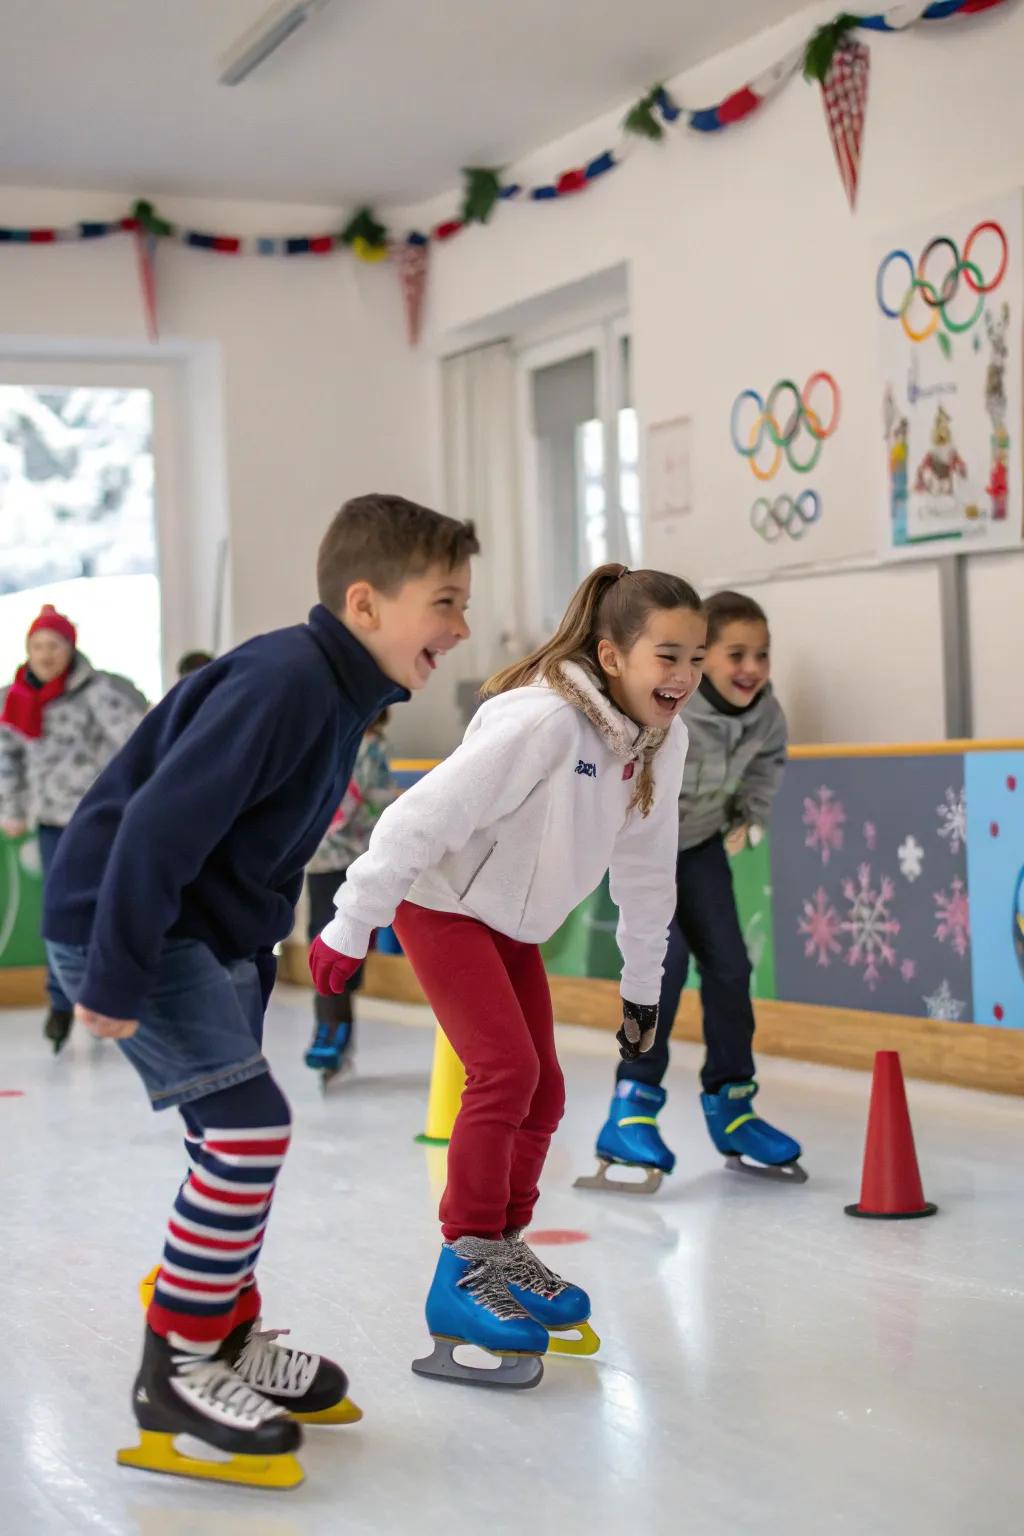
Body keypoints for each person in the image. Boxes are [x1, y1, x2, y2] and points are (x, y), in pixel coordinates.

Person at [41, 494, 478, 1488]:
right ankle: (178, 1368)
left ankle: (225, 1335)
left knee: (223, 1140)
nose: (459, 627)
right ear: (365, 604)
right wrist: (113, 969)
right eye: (444, 603)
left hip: (195, 935)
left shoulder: (336, 691)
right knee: (246, 1134)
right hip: (132, 925)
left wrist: (251, 954)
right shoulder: (285, 683)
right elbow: (155, 826)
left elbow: (255, 843)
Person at [310, 564, 706, 1389]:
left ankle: (501, 1251)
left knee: (546, 1091)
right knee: (505, 1072)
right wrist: (353, 922)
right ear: (612, 654)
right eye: (666, 656)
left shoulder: (663, 744)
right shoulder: (545, 724)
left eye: (694, 659)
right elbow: (418, 816)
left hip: (511, 923)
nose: (684, 677)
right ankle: (462, 1270)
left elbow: (646, 873)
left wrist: (642, 988)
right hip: (441, 902)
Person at [587, 589, 802, 1191]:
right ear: (703, 659)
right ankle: (630, 1108)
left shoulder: (765, 713)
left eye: (762, 654)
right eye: (736, 654)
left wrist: (749, 812)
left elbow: (771, 759)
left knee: (732, 967)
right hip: (645, 853)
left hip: (702, 847)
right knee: (662, 972)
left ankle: (733, 1103)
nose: (752, 669)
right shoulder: (668, 708)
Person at [0, 604, 147, 1053]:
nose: (46, 655)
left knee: (105, 908)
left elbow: (138, 739)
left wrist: (138, 796)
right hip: (49, 822)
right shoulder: (15, 697)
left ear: (70, 648)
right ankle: (61, 1001)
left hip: (98, 819)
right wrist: (12, 808)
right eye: (38, 646)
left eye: (54, 645)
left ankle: (109, 997)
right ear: (28, 650)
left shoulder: (98, 691)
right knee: (59, 914)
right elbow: (8, 759)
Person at [304, 710, 398, 1083]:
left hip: (350, 858)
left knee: (339, 942)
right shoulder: (341, 743)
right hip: (326, 859)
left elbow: (349, 805)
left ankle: (332, 1031)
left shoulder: (368, 747)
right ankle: (331, 1029)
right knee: (326, 941)